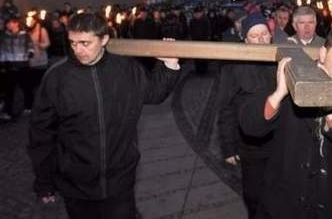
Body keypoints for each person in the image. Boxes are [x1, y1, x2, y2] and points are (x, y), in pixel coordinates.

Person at [28, 13, 180, 219]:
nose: (77, 50)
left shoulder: (125, 68)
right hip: (76, 183)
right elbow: (41, 134)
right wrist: (44, 181)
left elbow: (153, 94)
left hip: (119, 179)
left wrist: (169, 64)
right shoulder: (57, 77)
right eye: (72, 43)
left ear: (104, 40)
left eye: (85, 43)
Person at [240, 25, 332, 219]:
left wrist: (331, 108)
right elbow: (249, 125)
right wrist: (278, 95)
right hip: (285, 202)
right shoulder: (294, 76)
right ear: (323, 54)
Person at [217, 12, 276, 218]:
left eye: (264, 34)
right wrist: (228, 146)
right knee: (254, 196)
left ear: (271, 35)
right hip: (251, 146)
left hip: (281, 144)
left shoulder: (282, 62)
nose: (260, 39)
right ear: (245, 39)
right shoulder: (234, 67)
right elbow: (226, 108)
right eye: (254, 36)